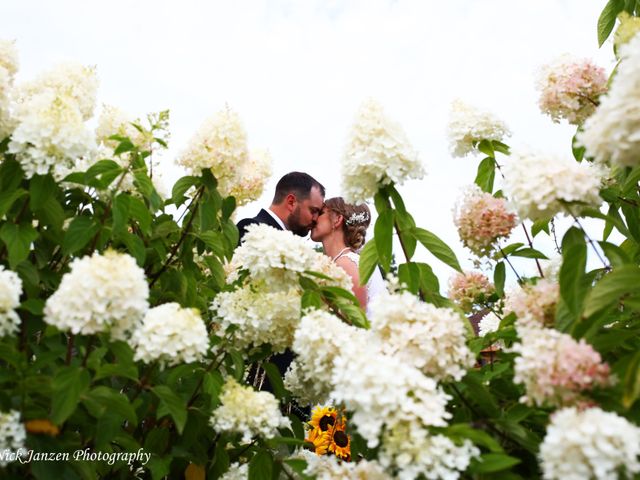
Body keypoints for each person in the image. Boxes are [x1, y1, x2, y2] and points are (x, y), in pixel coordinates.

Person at [310, 197, 386, 317]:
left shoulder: (346, 265)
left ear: (337, 219)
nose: (313, 218)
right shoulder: (340, 261)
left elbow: (353, 324)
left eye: (320, 213)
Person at [236, 171, 325, 243]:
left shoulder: (288, 240)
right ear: (291, 202)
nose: (316, 219)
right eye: (313, 211)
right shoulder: (251, 230)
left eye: (319, 213)